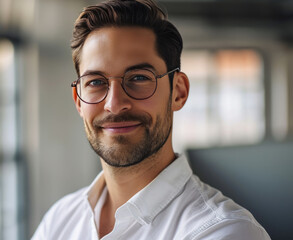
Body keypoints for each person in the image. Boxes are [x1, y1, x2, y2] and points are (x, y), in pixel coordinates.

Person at [32, 0, 270, 239]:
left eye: (137, 78)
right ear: (78, 100)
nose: (114, 104)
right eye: (96, 82)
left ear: (178, 92)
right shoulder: (59, 220)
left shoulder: (224, 232)